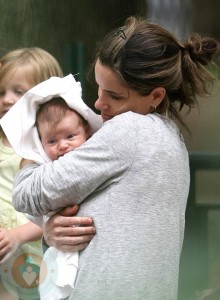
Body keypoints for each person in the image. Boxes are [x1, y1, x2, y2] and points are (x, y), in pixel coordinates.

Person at [5, 16, 220, 300]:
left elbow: (27, 194)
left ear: (155, 95)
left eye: (114, 96)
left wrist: (32, 147)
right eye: (98, 87)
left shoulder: (128, 129)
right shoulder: (171, 137)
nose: (98, 103)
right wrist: (50, 232)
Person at [1, 74, 102, 299]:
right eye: (52, 141)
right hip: (54, 250)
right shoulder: (42, 170)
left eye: (70, 136)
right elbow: (36, 212)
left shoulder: (97, 154)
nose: (63, 146)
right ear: (40, 142)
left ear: (86, 130)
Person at [0, 47, 64, 300]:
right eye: (1, 91)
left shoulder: (49, 149)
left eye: (18, 91)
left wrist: (16, 235)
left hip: (33, 251)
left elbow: (54, 209)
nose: (6, 99)